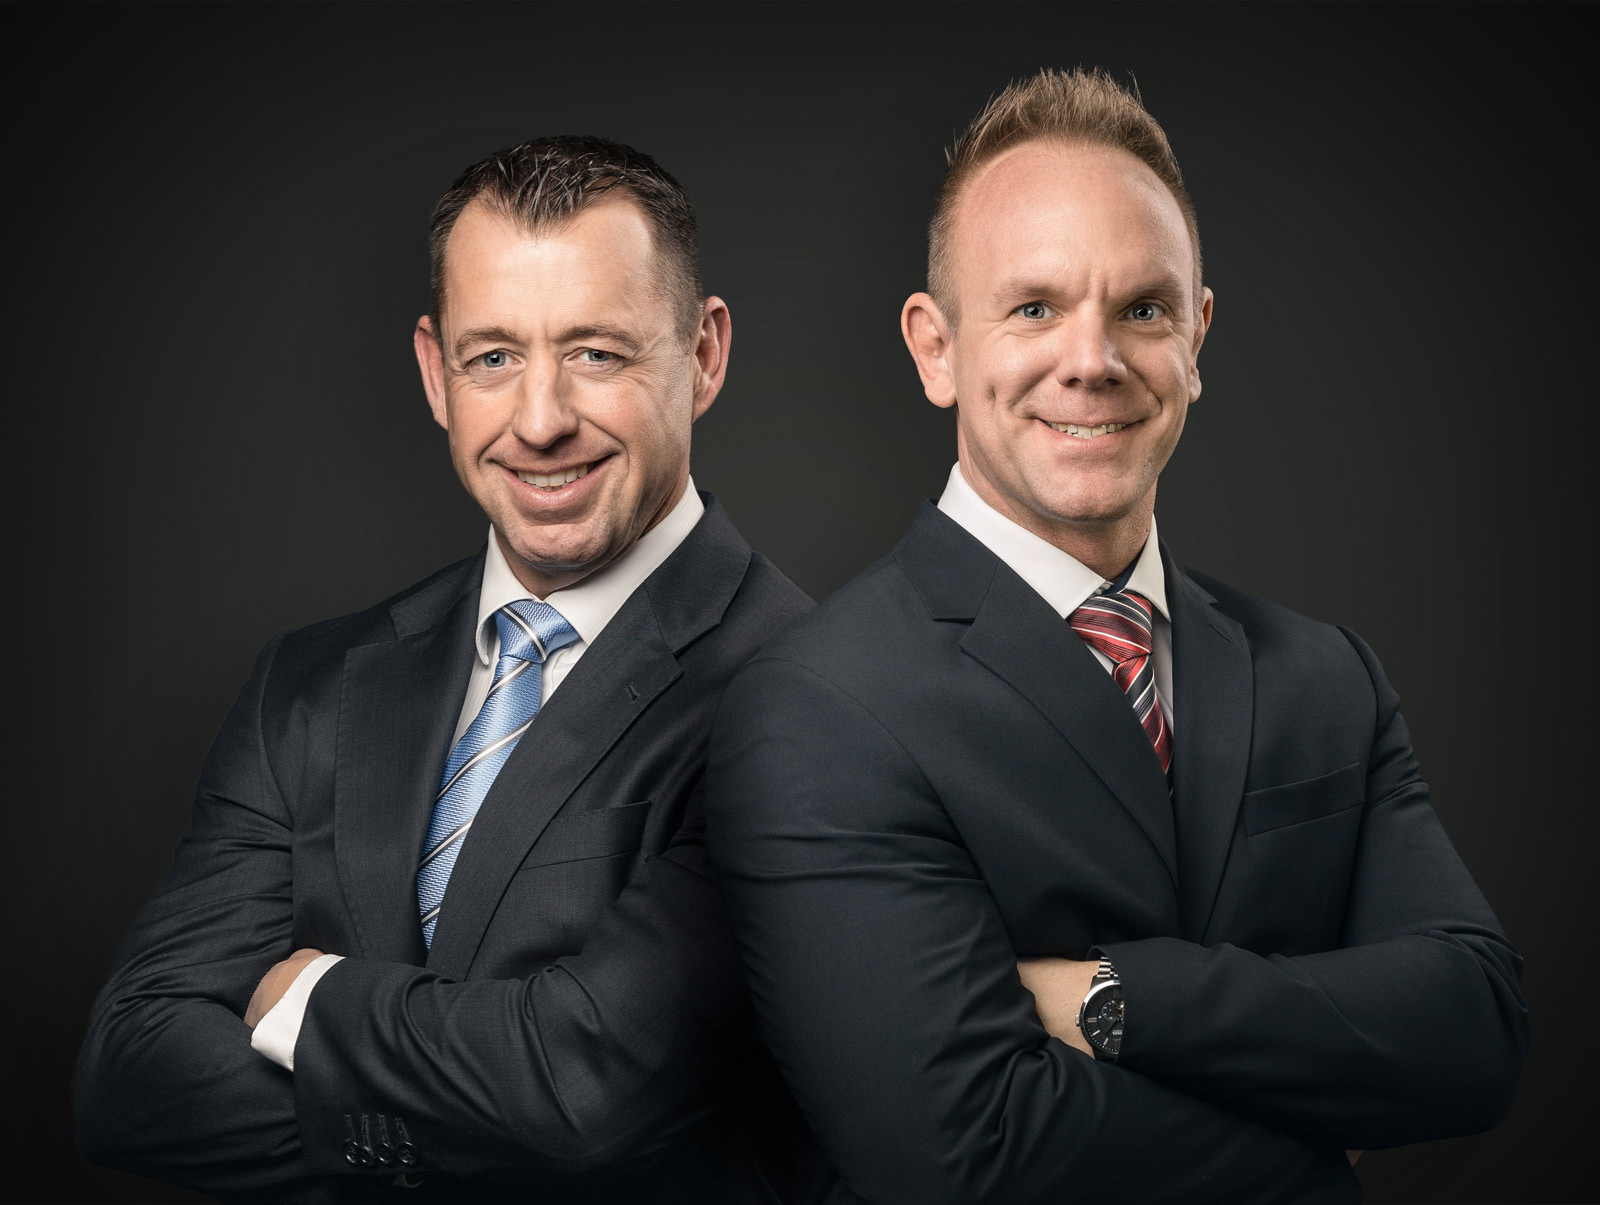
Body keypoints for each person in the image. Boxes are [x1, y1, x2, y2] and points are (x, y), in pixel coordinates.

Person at [705, 69, 1528, 1204]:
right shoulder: (818, 702)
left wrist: (1113, 996)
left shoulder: (1324, 677)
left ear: (1196, 337)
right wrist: (1312, 1157)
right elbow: (964, 1148)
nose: (1091, 359)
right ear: (936, 348)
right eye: (1034, 308)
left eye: (1141, 309)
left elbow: (1477, 1029)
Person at [76, 136, 812, 1203]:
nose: (541, 420)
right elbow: (132, 1067)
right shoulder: (309, 685)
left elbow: (581, 1083)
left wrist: (307, 1000)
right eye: (493, 357)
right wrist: (439, 1125)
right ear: (435, 372)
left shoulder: (808, 694)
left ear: (703, 354)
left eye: (596, 353)